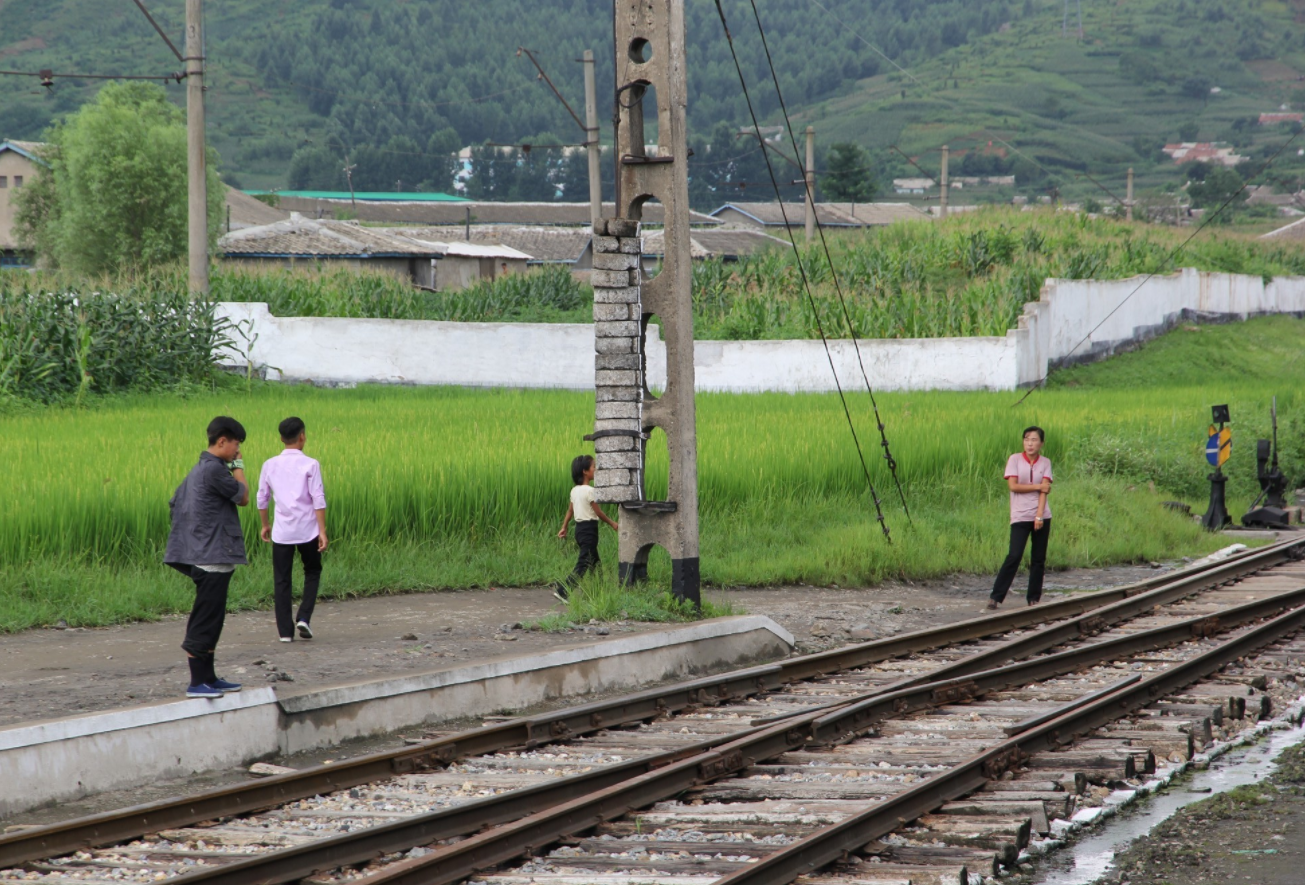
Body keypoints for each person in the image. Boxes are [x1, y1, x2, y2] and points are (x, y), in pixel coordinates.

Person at [164, 416, 250, 698]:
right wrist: (238, 467)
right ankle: (196, 682)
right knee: (205, 619)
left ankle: (209, 678)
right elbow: (243, 496)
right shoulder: (214, 470)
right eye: (236, 445)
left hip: (208, 555)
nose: (238, 451)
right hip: (210, 557)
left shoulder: (201, 469)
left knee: (214, 618)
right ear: (222, 441)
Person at [257, 417, 328, 642]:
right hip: (307, 530)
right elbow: (318, 498)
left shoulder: (269, 464)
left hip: (282, 531)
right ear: (302, 436)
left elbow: (262, 498)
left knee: (282, 579)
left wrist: (265, 524)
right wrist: (322, 531)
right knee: (313, 571)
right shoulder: (311, 464)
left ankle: (285, 633)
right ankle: (304, 618)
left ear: (281, 438)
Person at [988, 426, 1053, 609]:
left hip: (1042, 515)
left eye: (1034, 440)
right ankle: (996, 596)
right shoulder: (1015, 459)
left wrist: (1039, 516)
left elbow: (1045, 491)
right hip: (1020, 515)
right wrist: (1037, 486)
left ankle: (1033, 599)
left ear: (1041, 443)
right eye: (1026, 439)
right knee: (1014, 555)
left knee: (1038, 559)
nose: (1030, 443)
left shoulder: (1045, 463)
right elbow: (1013, 486)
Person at [553, 454, 619, 601]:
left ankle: (598, 591)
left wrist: (564, 527)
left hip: (579, 530)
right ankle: (563, 590)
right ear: (585, 471)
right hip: (589, 530)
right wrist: (612, 523)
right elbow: (598, 512)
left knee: (595, 562)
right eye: (594, 467)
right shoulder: (590, 491)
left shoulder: (574, 490)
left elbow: (570, 511)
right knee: (583, 563)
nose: (596, 470)